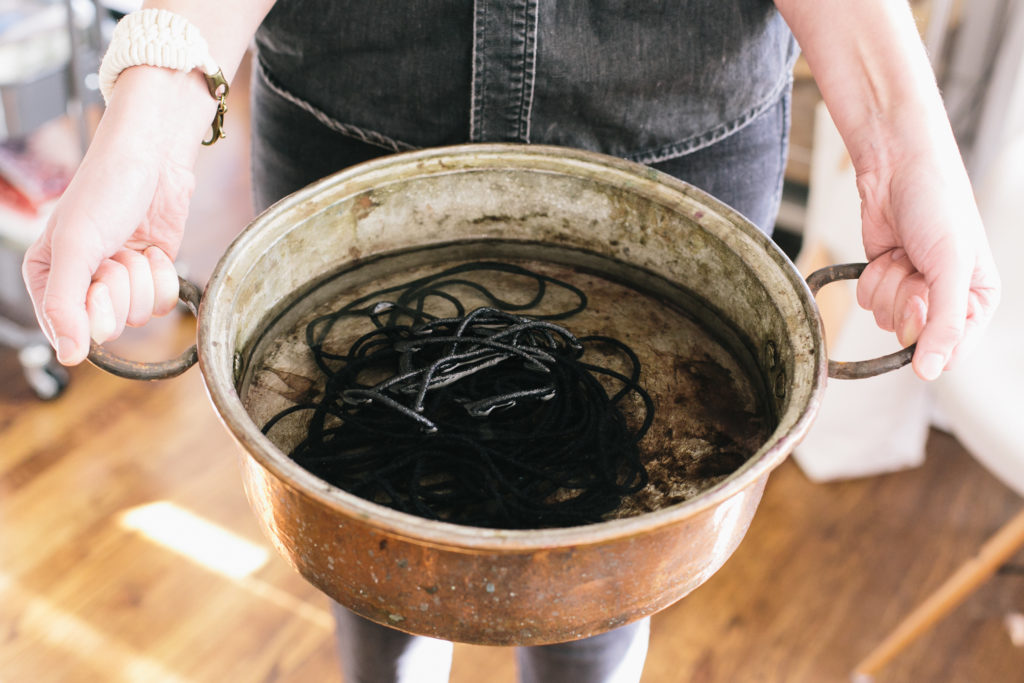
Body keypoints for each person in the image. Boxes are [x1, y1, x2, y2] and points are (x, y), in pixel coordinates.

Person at [21, 1, 1000, 682]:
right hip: (355, 94)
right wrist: (155, 106)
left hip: (673, 110)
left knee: (604, 577)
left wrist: (901, 142)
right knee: (370, 552)